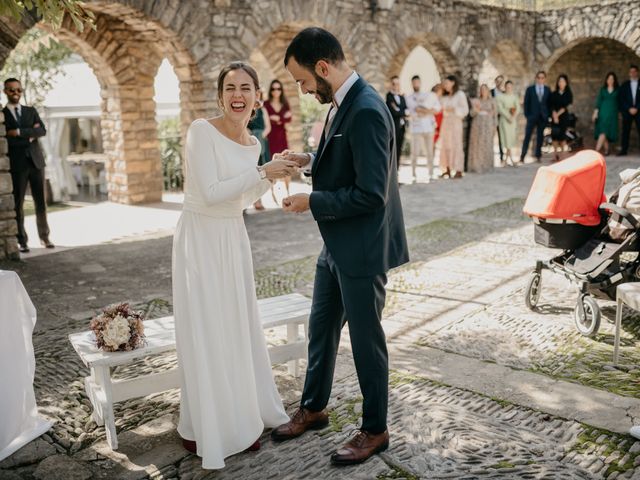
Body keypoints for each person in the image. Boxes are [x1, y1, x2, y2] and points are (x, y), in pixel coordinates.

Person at [273, 27, 409, 467]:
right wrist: (309, 160)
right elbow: (344, 159)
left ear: (323, 67)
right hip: (336, 245)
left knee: (367, 343)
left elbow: (372, 194)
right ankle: (314, 407)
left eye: (302, 80)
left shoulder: (367, 109)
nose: (302, 88)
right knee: (321, 329)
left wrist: (311, 200)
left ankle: (375, 430)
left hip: (363, 248)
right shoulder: (341, 102)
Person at [171, 62, 297, 469]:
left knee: (235, 324)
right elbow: (209, 194)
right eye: (230, 87)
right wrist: (261, 172)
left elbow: (239, 199)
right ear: (220, 95)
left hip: (232, 236)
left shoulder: (252, 143)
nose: (237, 94)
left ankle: (240, 416)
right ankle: (208, 426)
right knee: (207, 326)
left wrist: (271, 174)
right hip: (201, 237)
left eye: (245, 87)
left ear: (257, 95)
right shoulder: (200, 132)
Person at [2, 78, 52, 253]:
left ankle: (45, 237)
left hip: (36, 163)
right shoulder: (3, 115)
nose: (16, 94)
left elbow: (42, 131)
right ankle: (22, 241)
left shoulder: (31, 111)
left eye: (18, 90)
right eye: (12, 90)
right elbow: (8, 140)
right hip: (18, 165)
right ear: (5, 92)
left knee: (41, 203)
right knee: (18, 205)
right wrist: (30, 135)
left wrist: (18, 132)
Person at [405, 75, 440, 182]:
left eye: (417, 82)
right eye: (414, 82)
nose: (416, 84)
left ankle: (431, 173)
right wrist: (421, 111)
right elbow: (409, 111)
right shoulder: (408, 98)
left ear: (420, 83)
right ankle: (413, 173)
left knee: (429, 151)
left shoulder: (429, 95)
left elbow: (437, 109)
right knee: (414, 151)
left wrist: (425, 111)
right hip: (416, 128)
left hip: (428, 127)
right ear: (412, 84)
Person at [264, 79, 293, 194]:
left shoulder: (285, 103)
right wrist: (281, 118)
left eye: (279, 88)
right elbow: (265, 119)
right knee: (272, 164)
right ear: (271, 90)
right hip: (270, 138)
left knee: (286, 162)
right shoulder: (265, 104)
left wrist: (277, 119)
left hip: (282, 137)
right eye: (274, 89)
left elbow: (289, 118)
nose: (276, 91)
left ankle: (288, 192)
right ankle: (273, 193)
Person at [439, 75, 469, 179]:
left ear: (453, 83)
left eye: (447, 83)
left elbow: (465, 110)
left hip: (456, 122)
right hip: (446, 122)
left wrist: (454, 109)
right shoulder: (444, 96)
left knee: (456, 144)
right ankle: (446, 168)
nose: (445, 85)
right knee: (445, 144)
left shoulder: (460, 95)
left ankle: (458, 169)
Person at [521, 71, 551, 163]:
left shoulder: (547, 89)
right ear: (536, 78)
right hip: (531, 116)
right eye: (539, 77)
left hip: (542, 117)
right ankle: (522, 156)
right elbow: (526, 103)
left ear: (544, 79)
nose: (540, 79)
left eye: (542, 78)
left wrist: (548, 115)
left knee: (540, 137)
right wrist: (527, 115)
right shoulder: (530, 89)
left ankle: (538, 156)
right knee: (527, 136)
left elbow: (549, 104)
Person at [247, 95, 271, 210]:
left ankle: (259, 199)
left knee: (261, 171)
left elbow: (268, 127)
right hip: (249, 142)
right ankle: (256, 201)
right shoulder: (246, 109)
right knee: (253, 171)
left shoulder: (263, 109)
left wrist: (260, 137)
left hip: (261, 141)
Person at [468, 84, 496, 173]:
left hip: (488, 125)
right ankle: (476, 165)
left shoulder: (493, 101)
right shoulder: (476, 101)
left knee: (487, 144)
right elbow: (471, 114)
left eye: (485, 89)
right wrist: (476, 109)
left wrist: (495, 126)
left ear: (488, 91)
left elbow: (495, 115)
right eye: (481, 89)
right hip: (477, 124)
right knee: (477, 144)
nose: (483, 91)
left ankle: (486, 165)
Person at [593, 71, 619, 156]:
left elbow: (620, 102)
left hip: (612, 114)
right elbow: (599, 102)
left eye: (612, 79)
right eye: (609, 78)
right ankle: (596, 152)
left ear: (614, 80)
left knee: (606, 132)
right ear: (606, 80)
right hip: (603, 114)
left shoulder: (618, 90)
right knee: (603, 132)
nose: (610, 80)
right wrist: (596, 113)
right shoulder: (603, 90)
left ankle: (607, 150)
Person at [548, 74, 573, 162]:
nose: (561, 83)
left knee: (562, 137)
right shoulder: (554, 94)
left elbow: (565, 106)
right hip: (554, 117)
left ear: (566, 83)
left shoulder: (568, 94)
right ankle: (555, 155)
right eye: (559, 81)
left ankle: (562, 156)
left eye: (563, 81)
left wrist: (557, 115)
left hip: (563, 117)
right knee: (554, 136)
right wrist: (554, 115)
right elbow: (551, 105)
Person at [385, 75, 408, 170]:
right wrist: (402, 112)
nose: (395, 86)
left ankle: (396, 172)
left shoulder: (402, 97)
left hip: (402, 128)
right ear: (391, 85)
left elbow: (406, 110)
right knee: (392, 150)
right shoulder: (389, 97)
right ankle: (391, 173)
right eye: (393, 84)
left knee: (399, 150)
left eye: (397, 84)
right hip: (393, 127)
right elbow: (395, 112)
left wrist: (400, 111)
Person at [496, 80, 520, 166]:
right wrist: (508, 116)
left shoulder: (515, 97)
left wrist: (513, 117)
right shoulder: (500, 97)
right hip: (504, 119)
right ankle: (509, 159)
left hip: (512, 120)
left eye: (510, 87)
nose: (509, 88)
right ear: (505, 87)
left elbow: (518, 108)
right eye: (507, 87)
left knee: (511, 139)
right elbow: (500, 108)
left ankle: (507, 159)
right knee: (505, 139)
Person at [618, 65, 640, 156]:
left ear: (637, 72)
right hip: (628, 112)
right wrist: (629, 108)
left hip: (639, 111)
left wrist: (637, 108)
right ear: (629, 73)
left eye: (634, 71)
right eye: (631, 72)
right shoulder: (625, 85)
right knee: (625, 131)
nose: (633, 73)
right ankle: (624, 150)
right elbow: (621, 99)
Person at [491, 75, 505, 162]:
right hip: (491, 117)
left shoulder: (504, 93)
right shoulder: (490, 92)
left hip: (501, 117)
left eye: (501, 81)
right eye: (498, 81)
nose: (499, 83)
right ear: (495, 82)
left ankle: (501, 157)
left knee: (501, 137)